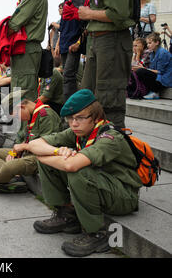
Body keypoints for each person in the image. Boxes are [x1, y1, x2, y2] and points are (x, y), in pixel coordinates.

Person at [17, 89, 142, 257]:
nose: (73, 124)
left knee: (79, 171)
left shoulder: (110, 138)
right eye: (70, 119)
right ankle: (67, 215)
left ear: (96, 117)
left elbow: (72, 166)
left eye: (80, 118)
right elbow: (35, 144)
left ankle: (98, 234)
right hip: (101, 184)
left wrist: (43, 156)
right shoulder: (79, 131)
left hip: (123, 195)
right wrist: (56, 152)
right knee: (51, 163)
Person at [78, 0, 135, 129]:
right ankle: (91, 149)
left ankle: (112, 149)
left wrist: (89, 14)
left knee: (109, 103)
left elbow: (119, 13)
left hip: (112, 41)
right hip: (99, 40)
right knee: (88, 98)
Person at [0, 90, 61, 193]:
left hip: (39, 157)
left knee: (10, 165)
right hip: (24, 153)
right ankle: (12, 176)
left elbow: (48, 146)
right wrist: (13, 153)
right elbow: (20, 140)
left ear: (22, 107)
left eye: (16, 115)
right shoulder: (30, 116)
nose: (18, 118)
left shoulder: (46, 116)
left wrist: (23, 147)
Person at [9, 0, 48, 103]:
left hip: (26, 49)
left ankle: (23, 127)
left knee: (22, 96)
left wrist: (2, 42)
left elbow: (15, 22)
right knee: (21, 91)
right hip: (27, 49)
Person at [57, 0, 88, 101]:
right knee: (66, 74)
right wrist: (58, 42)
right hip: (64, 39)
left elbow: (84, 20)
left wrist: (79, 41)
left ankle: (70, 110)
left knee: (69, 75)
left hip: (74, 40)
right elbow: (64, 21)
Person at [135, 32, 172, 99]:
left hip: (165, 80)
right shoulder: (152, 53)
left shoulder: (162, 53)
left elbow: (160, 72)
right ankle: (151, 91)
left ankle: (155, 91)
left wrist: (144, 69)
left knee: (140, 71)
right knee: (138, 71)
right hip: (159, 77)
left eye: (150, 43)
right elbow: (152, 69)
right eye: (147, 43)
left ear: (157, 43)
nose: (148, 45)